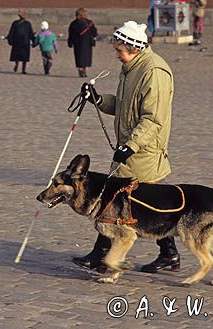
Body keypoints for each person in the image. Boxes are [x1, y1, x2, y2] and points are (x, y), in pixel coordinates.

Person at [72, 21, 179, 274]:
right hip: (130, 148)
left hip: (144, 151)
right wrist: (98, 99)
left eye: (120, 50)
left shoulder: (153, 72)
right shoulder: (131, 68)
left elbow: (153, 118)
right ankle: (169, 253)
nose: (117, 55)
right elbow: (123, 107)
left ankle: (100, 254)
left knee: (118, 200)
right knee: (142, 203)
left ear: (134, 48)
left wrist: (130, 146)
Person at [68, 8, 97, 78]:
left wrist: (70, 42)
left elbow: (71, 34)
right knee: (85, 57)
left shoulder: (73, 24)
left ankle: (80, 69)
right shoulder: (89, 23)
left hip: (77, 43)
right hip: (87, 43)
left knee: (79, 57)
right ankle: (84, 69)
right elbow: (94, 32)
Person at [6, 9, 35, 74]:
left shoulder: (15, 23)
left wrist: (10, 40)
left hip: (17, 42)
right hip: (25, 43)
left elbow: (11, 32)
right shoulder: (28, 24)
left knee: (17, 55)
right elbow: (31, 33)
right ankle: (23, 69)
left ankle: (16, 64)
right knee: (24, 57)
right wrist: (34, 41)